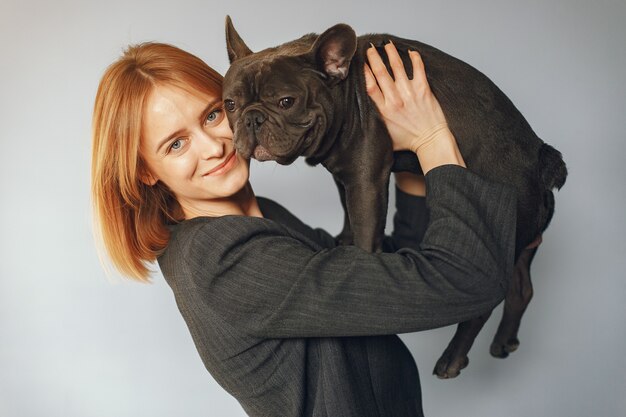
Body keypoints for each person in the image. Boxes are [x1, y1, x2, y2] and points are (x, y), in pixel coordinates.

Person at [91, 40, 516, 417]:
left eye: (214, 114)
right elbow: (469, 280)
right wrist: (434, 140)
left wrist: (401, 161)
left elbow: (382, 273)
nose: (214, 145)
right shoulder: (223, 261)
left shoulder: (256, 217)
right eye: (176, 144)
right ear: (145, 171)